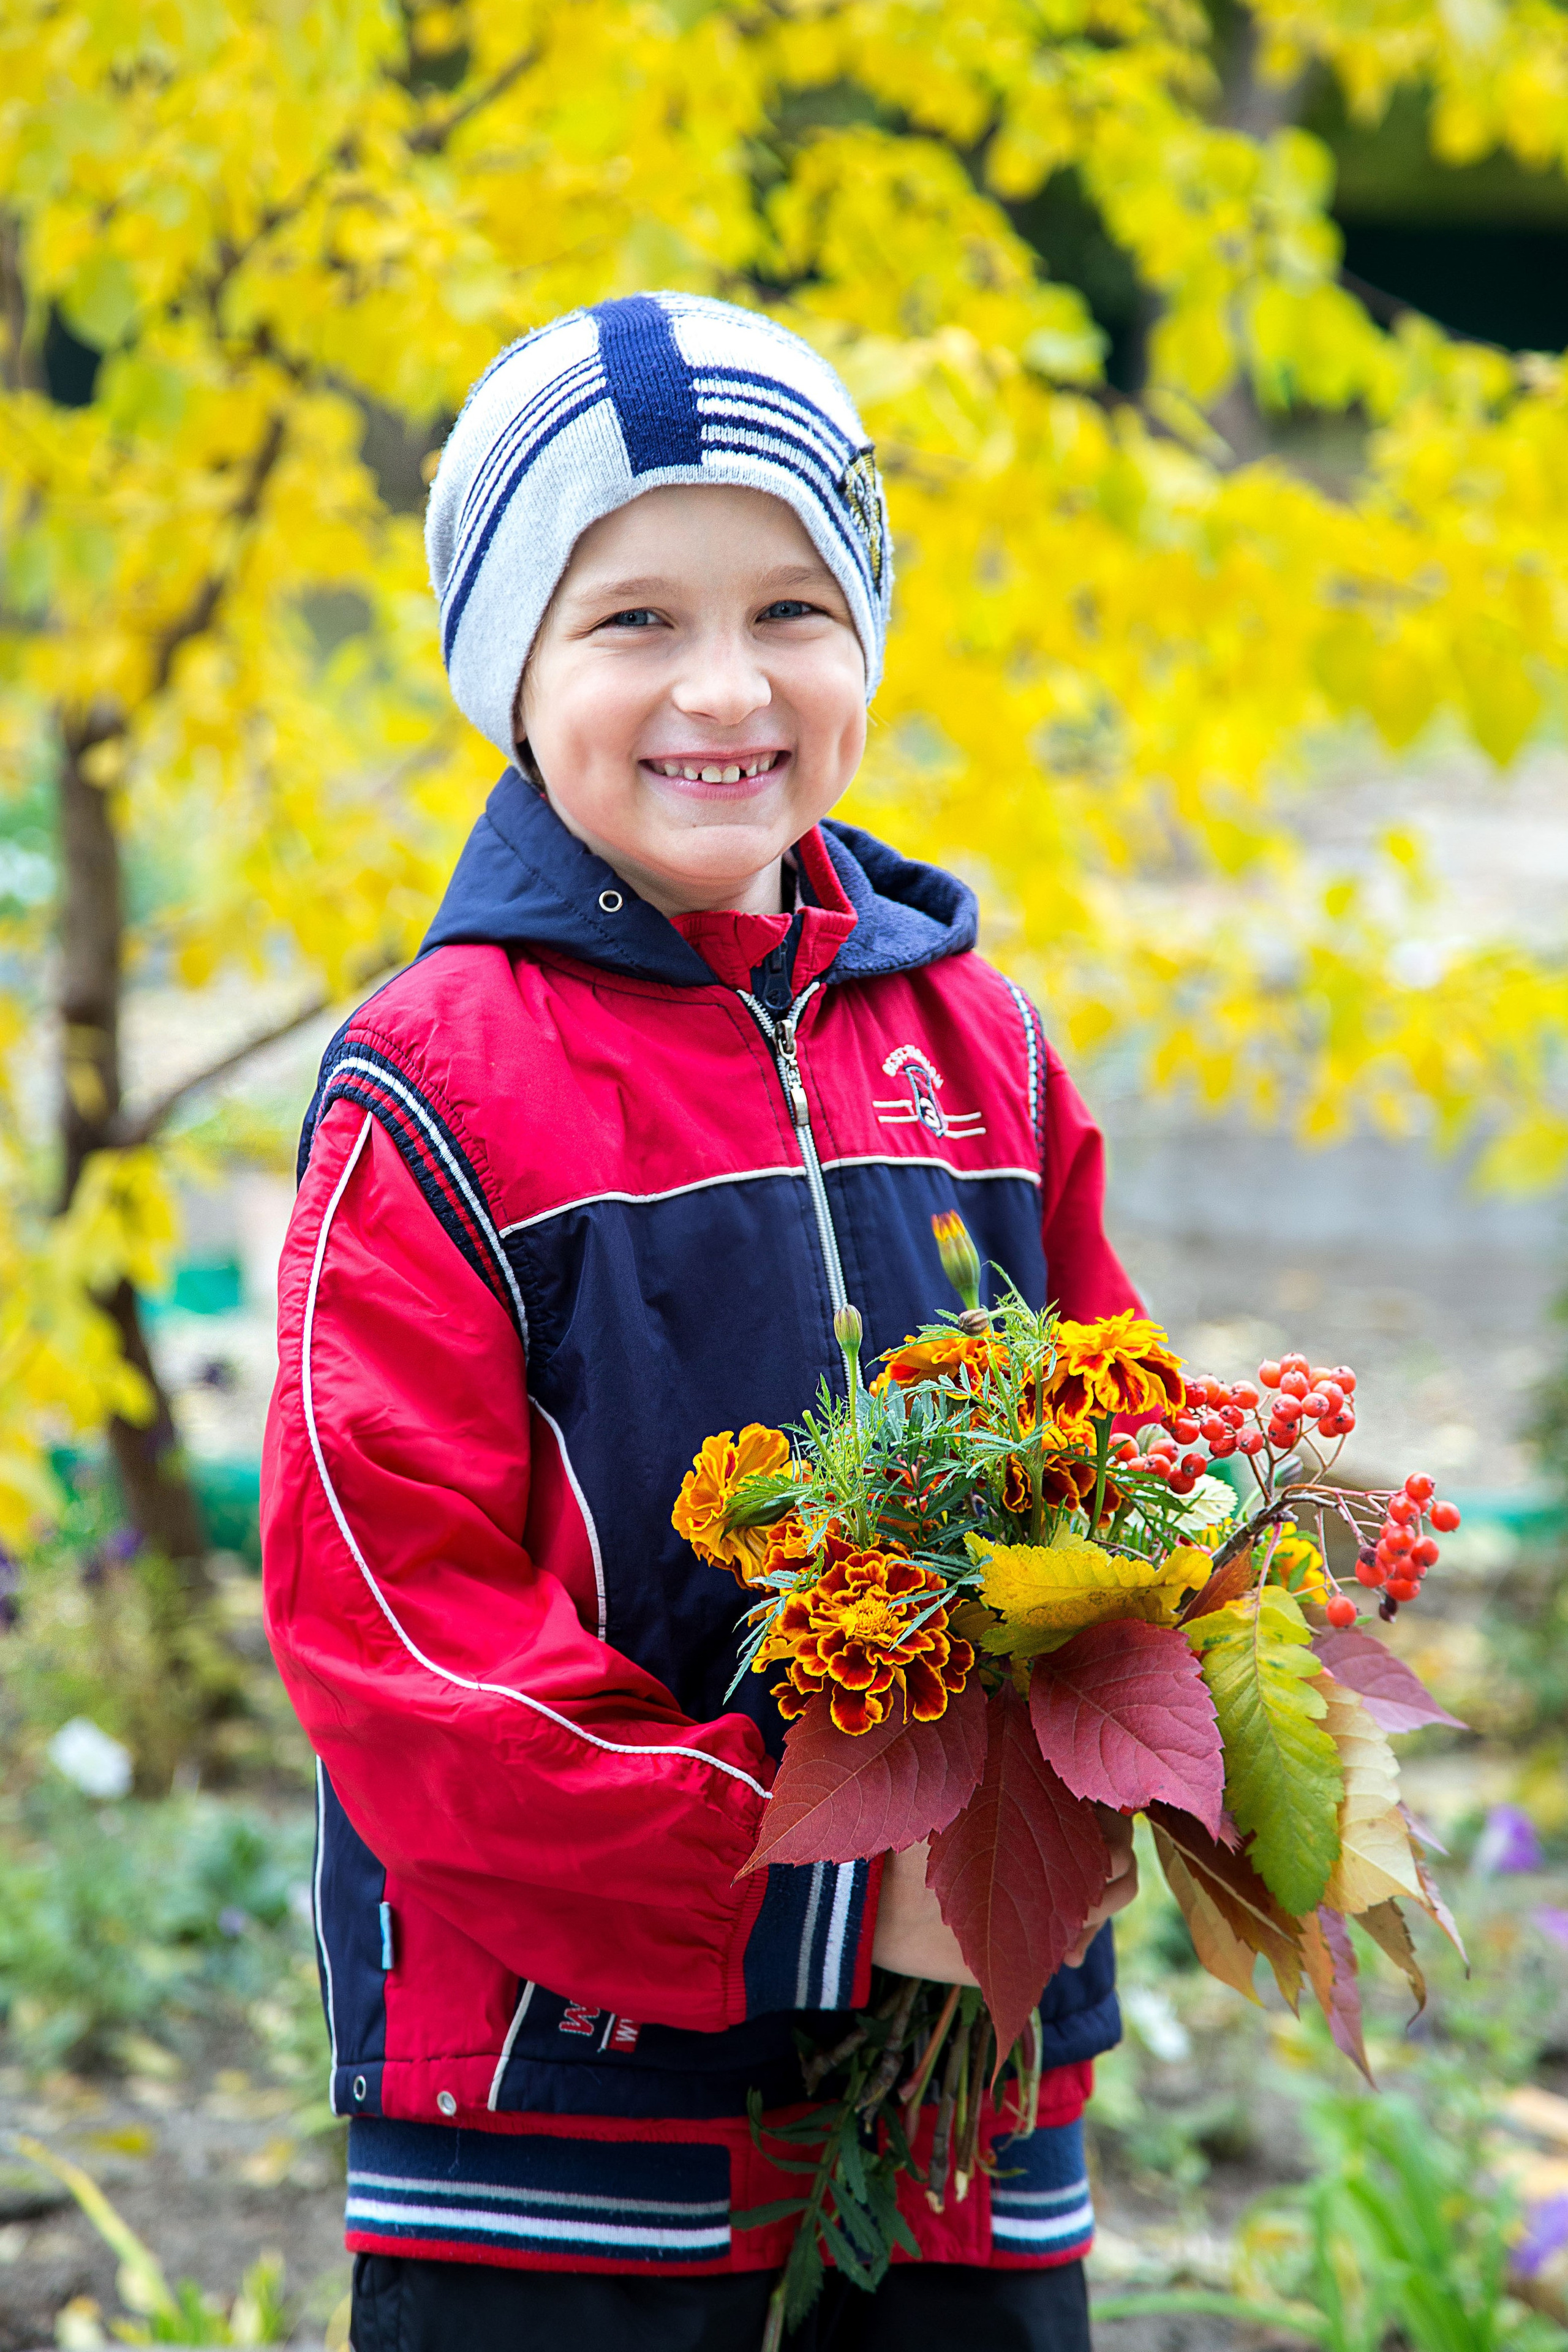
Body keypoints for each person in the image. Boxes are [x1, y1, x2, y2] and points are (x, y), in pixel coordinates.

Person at [262, 291, 1141, 2352]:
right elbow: (397, 1628)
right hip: (574, 2106)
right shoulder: (435, 1084)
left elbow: (1125, 1473)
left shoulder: (981, 1047)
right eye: (633, 621)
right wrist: (814, 1883)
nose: (725, 685)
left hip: (960, 2069)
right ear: (511, 669)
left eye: (793, 609)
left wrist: (1103, 1764)